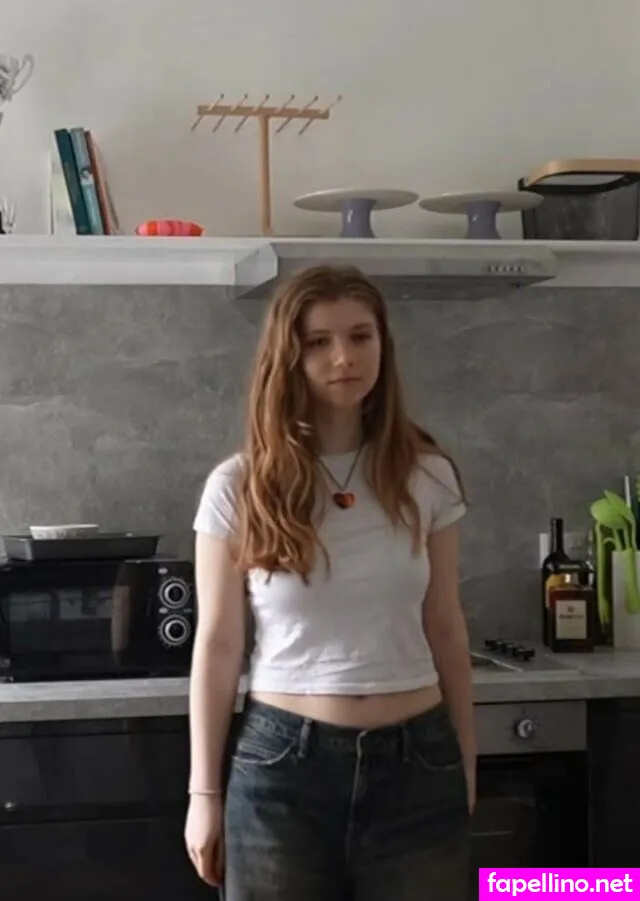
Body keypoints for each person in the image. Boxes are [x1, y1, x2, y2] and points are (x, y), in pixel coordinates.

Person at [185, 263, 476, 900]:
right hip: (281, 770)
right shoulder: (239, 487)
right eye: (318, 341)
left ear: (382, 344)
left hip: (419, 764)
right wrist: (203, 794)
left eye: (360, 336)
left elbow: (446, 627)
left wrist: (466, 760)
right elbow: (219, 646)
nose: (344, 357)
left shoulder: (428, 476)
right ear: (288, 358)